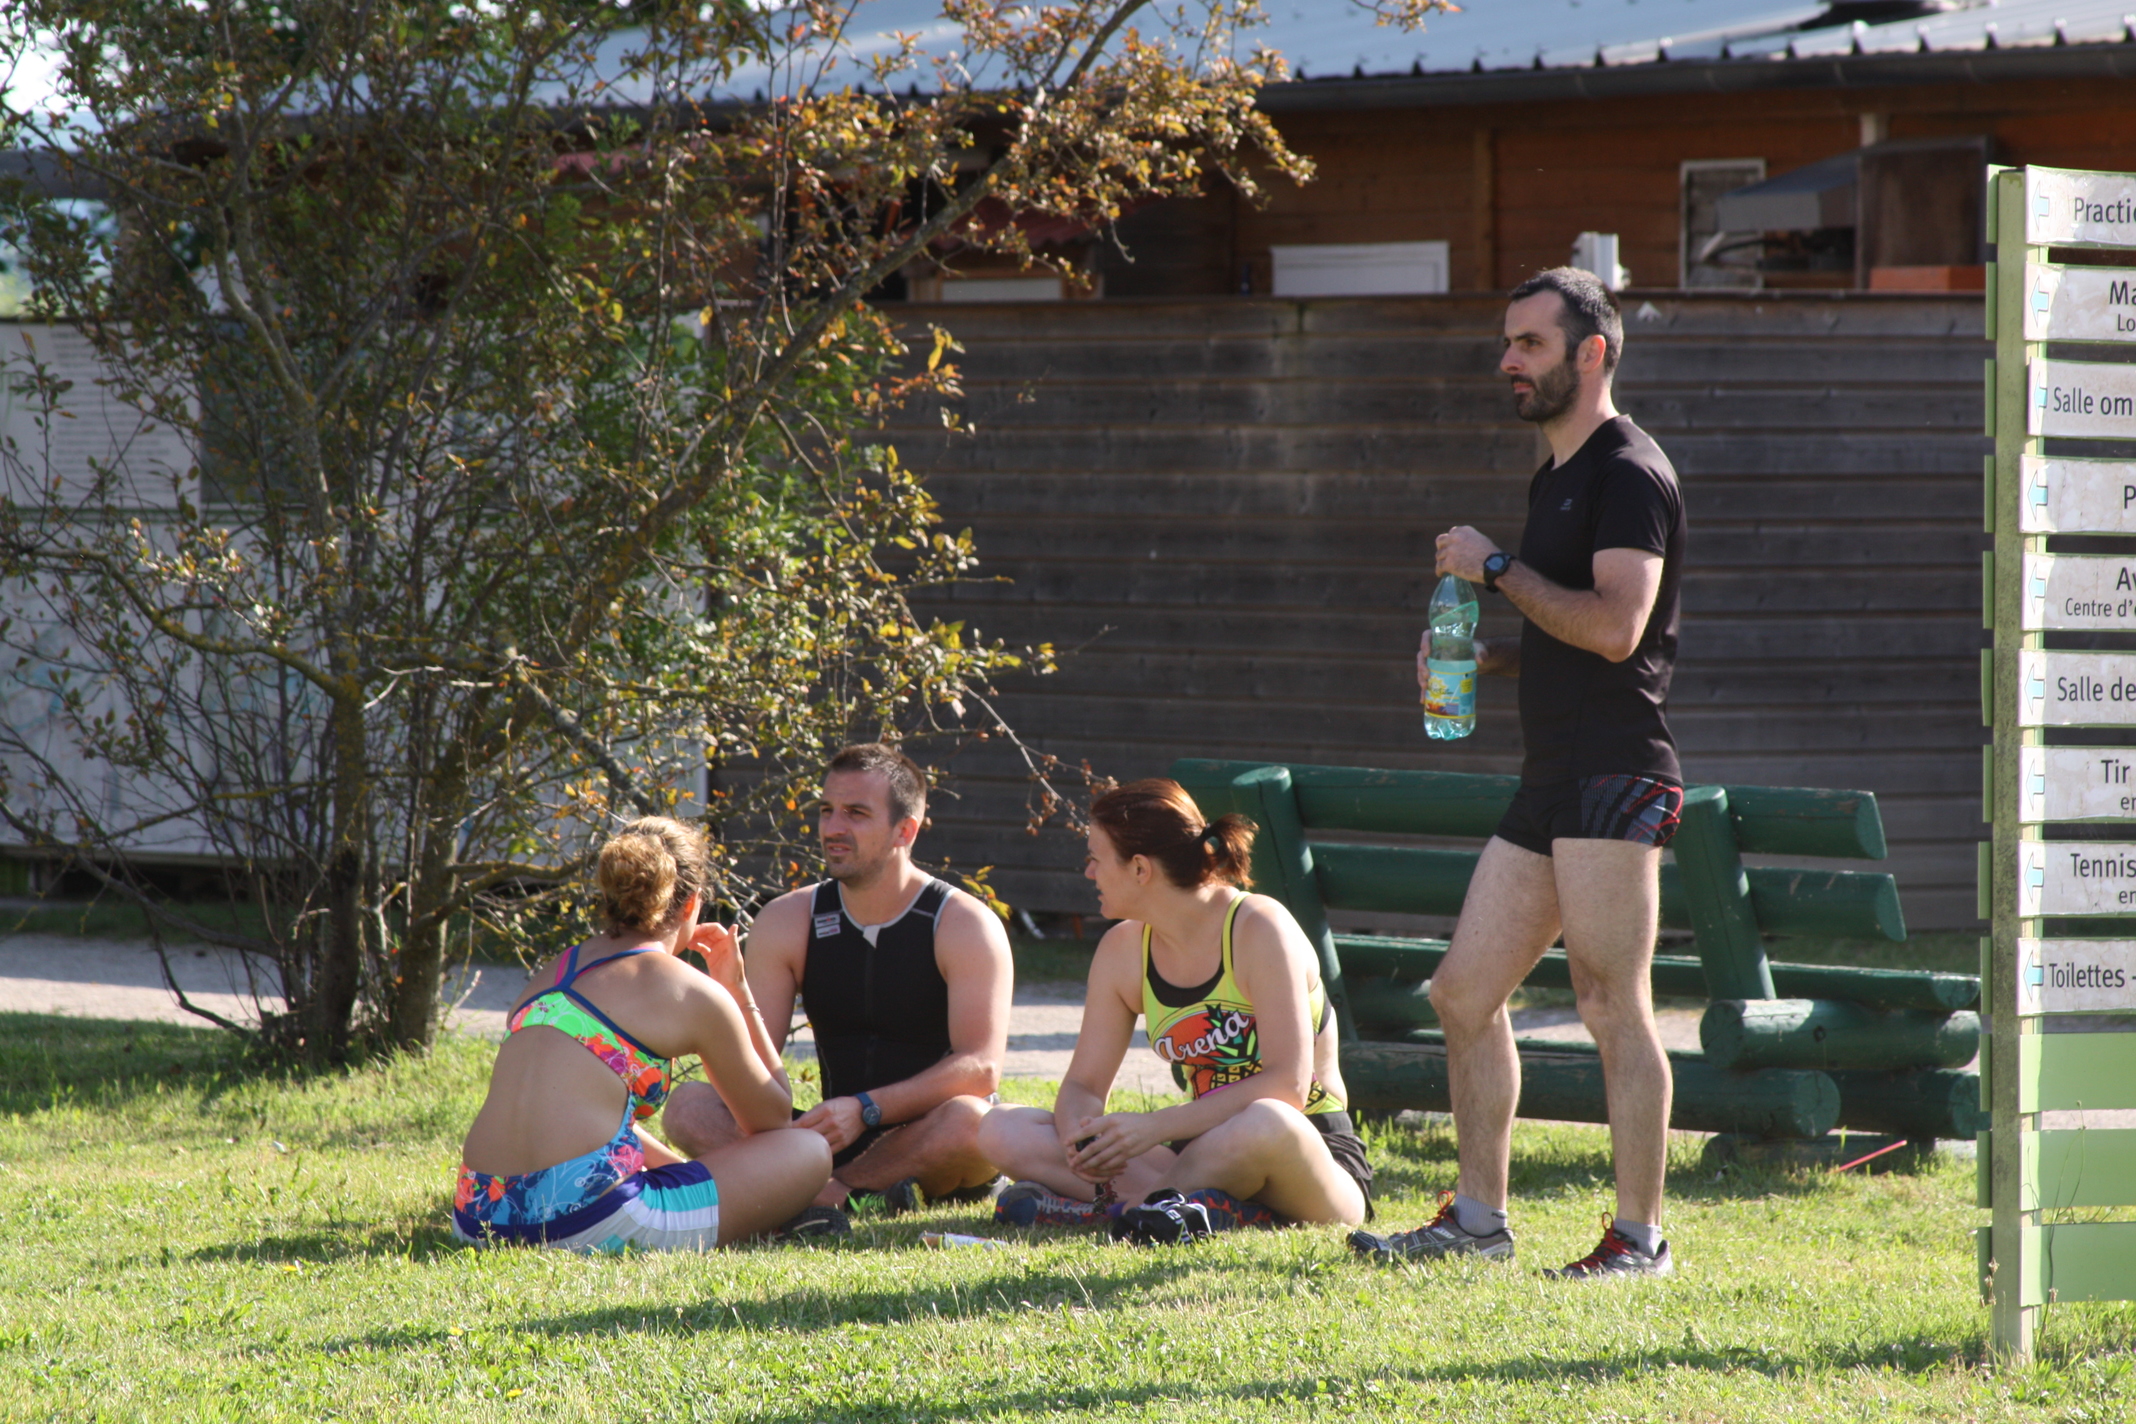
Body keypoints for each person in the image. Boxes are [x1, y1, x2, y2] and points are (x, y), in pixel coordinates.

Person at [1351, 266, 1685, 1279]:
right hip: (1551, 777)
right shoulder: (1557, 476)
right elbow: (1567, 628)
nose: (1508, 360)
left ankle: (1639, 1239)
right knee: (1462, 993)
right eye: (1507, 342)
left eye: (1529, 343)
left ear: (1593, 352)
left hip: (1615, 774)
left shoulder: (1629, 472)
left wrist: (1496, 569)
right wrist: (1481, 659)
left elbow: (1619, 628)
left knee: (1610, 1003)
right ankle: (1478, 1222)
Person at [976, 779, 1372, 1244]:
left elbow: (1288, 1087)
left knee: (1267, 1120)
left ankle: (1120, 1212)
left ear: (1140, 868)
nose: (1088, 872)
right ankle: (1198, 1209)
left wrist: (1154, 1126)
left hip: (1307, 1153)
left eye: (1096, 858)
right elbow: (1083, 1085)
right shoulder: (1123, 950)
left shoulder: (1260, 928)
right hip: (1194, 1155)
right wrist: (1083, 1142)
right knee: (1003, 1130)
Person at [661, 743, 1011, 1219]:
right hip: (830, 1138)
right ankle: (848, 1195)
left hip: (929, 1136)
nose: (833, 828)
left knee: (973, 1120)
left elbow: (980, 1069)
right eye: (827, 810)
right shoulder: (787, 918)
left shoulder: (964, 923)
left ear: (905, 830)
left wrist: (866, 1108)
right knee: (689, 1106)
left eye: (856, 813)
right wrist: (732, 994)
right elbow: (752, 1070)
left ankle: (822, 1192)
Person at [453, 816, 834, 1251]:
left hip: (478, 1219)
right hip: (585, 1225)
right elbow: (774, 1119)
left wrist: (682, 1172)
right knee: (808, 1149)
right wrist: (736, 990)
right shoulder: (690, 990)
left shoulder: (552, 974)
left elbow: (584, 1124)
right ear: (691, 904)